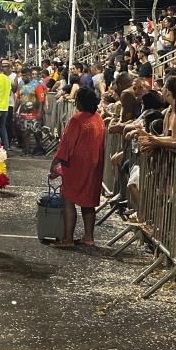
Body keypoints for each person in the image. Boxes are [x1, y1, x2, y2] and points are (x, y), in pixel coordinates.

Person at [49, 87, 106, 248]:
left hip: (77, 165)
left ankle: (67, 239)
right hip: (95, 165)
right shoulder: (98, 119)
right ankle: (89, 237)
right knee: (88, 202)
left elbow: (66, 144)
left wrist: (54, 163)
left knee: (69, 199)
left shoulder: (76, 119)